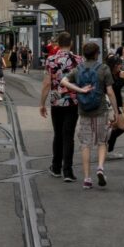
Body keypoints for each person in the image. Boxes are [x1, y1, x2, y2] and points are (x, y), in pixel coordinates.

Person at [61, 42, 119, 189]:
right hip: (100, 110)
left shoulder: (78, 68)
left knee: (85, 144)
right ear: (96, 54)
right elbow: (110, 92)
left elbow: (63, 81)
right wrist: (116, 111)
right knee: (102, 142)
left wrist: (79, 91)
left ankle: (87, 178)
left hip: (84, 111)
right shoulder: (104, 68)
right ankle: (100, 167)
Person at [39, 32, 81, 183]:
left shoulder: (50, 59)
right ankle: (68, 171)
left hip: (56, 99)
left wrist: (42, 104)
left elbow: (47, 84)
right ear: (71, 44)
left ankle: (56, 167)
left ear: (57, 43)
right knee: (68, 135)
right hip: (73, 100)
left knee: (58, 134)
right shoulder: (78, 60)